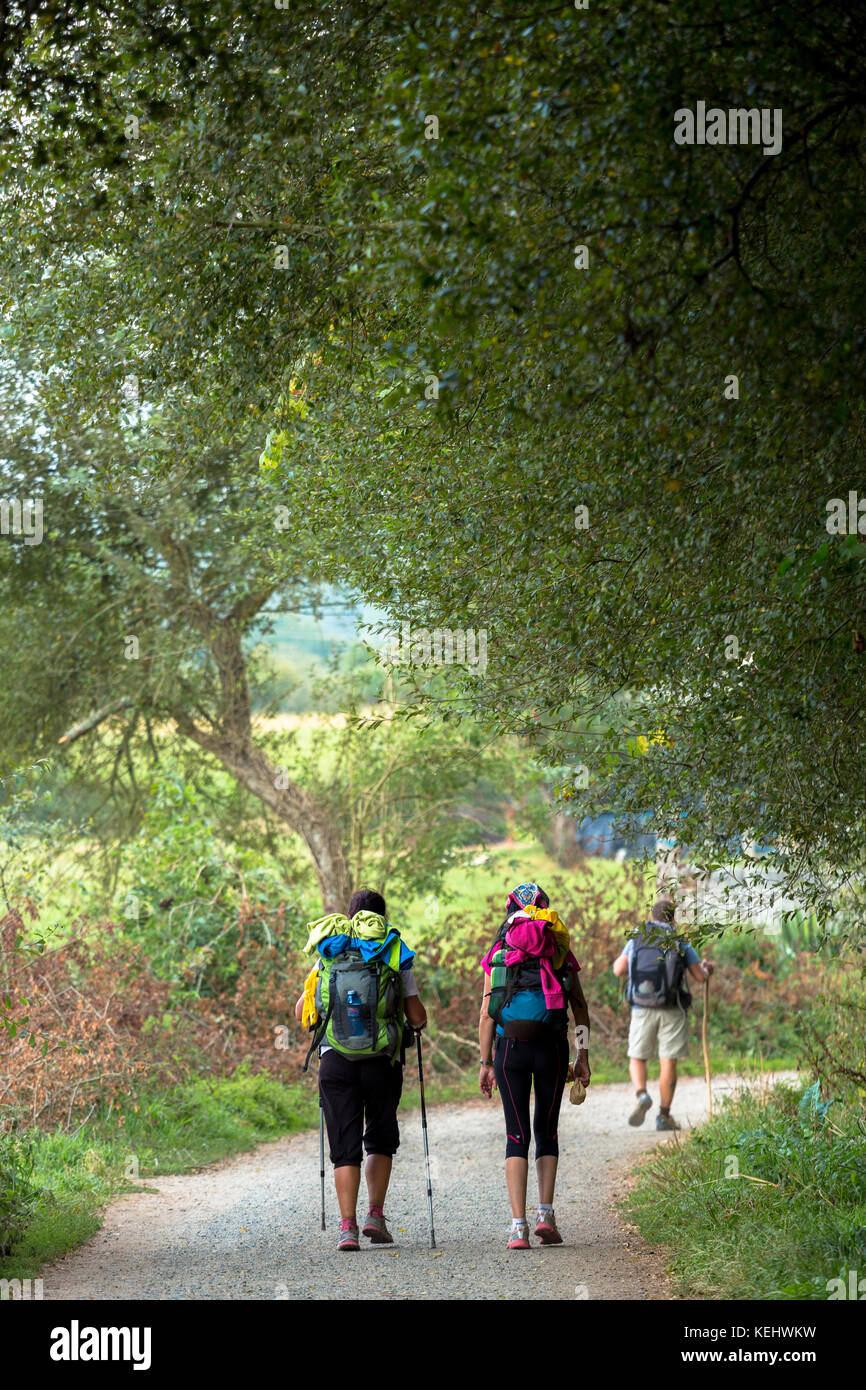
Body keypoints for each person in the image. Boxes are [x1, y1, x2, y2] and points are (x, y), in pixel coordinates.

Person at [295, 887, 427, 1251]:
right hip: (381, 1063)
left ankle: (347, 1228)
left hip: (335, 1062)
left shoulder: (329, 952)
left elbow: (302, 1011)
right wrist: (413, 1021)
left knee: (344, 1146)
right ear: (381, 918)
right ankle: (375, 1215)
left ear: (350, 916)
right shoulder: (392, 952)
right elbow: (417, 1016)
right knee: (380, 1139)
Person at [479, 882, 591, 1249]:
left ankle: (518, 1228)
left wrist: (485, 1062)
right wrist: (583, 1056)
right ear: (544, 910)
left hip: (510, 1048)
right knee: (547, 1129)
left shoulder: (499, 950)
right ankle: (545, 1213)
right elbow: (580, 1008)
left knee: (516, 1135)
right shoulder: (558, 948)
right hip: (552, 1048)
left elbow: (486, 1013)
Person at [612, 894, 714, 1130]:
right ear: (673, 919)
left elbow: (618, 969)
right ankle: (664, 1116)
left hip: (641, 1006)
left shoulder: (639, 937)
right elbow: (699, 977)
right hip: (672, 1007)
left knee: (637, 1055)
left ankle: (641, 1095)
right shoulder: (680, 941)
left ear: (652, 917)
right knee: (668, 1060)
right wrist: (708, 969)